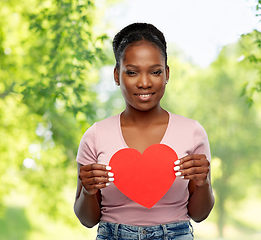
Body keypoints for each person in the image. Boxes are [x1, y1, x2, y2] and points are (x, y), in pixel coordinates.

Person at [74, 22, 214, 240]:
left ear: (166, 74)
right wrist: (88, 191)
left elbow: (199, 214)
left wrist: (204, 183)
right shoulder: (95, 136)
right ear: (117, 75)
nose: (145, 82)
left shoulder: (193, 132)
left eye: (155, 71)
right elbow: (87, 219)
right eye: (132, 72)